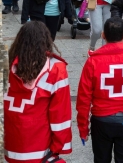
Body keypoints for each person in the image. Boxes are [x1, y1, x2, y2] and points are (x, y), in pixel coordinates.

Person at [76, 17, 123, 163]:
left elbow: (83, 97)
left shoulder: (93, 61)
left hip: (101, 121)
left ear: (103, 35)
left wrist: (83, 128)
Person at [4, 21, 72, 163]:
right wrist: (58, 146)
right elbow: (60, 115)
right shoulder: (56, 70)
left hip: (11, 147)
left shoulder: (8, 66)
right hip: (40, 149)